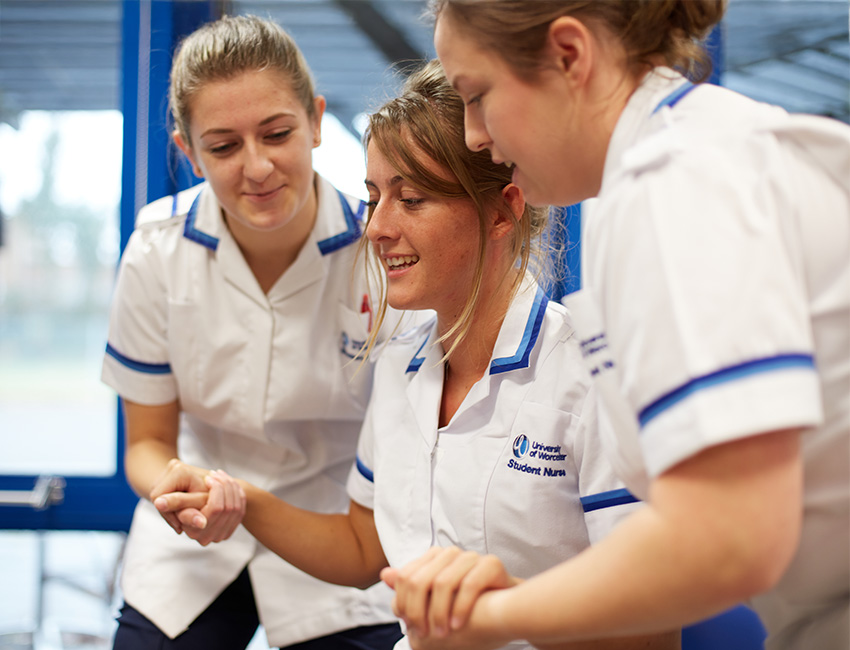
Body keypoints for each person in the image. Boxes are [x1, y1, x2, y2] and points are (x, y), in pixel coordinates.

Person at [154, 59, 679, 650]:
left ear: (503, 211)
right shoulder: (400, 365)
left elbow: (651, 632)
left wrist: (506, 606)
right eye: (374, 197)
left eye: (412, 199)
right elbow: (361, 548)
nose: (376, 227)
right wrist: (242, 498)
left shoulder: (587, 378)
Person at [381, 1, 850, 649]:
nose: (473, 136)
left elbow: (732, 538)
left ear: (570, 56)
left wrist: (484, 621)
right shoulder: (707, 143)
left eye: (478, 96)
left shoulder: (676, 183)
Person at [100, 14, 415, 650]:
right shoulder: (157, 249)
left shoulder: (384, 255)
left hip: (340, 533)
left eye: (277, 134)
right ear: (187, 152)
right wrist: (176, 490)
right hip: (193, 537)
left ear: (318, 121)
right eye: (222, 147)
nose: (259, 167)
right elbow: (147, 442)